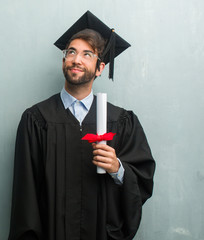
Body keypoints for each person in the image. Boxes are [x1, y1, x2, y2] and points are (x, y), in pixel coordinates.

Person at [8, 11, 155, 240]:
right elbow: (25, 198)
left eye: (88, 54)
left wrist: (118, 169)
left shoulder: (122, 122)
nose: (77, 59)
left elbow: (142, 182)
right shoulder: (36, 120)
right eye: (71, 52)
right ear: (64, 60)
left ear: (100, 68)